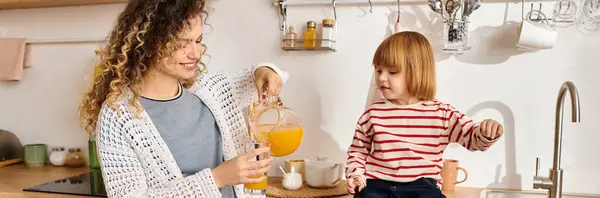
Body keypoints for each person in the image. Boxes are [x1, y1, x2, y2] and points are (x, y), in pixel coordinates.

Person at [78, 0, 288, 197]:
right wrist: (217, 178)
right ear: (149, 44)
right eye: (182, 43)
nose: (195, 53)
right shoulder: (118, 115)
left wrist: (267, 70)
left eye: (197, 40)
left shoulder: (209, 91)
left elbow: (259, 76)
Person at [344, 31, 504, 198]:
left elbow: (471, 138)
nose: (382, 78)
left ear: (417, 73)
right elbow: (358, 151)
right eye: (378, 70)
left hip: (422, 186)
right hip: (377, 184)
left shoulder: (442, 114)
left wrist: (486, 132)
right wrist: (356, 175)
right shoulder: (373, 113)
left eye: (392, 72)